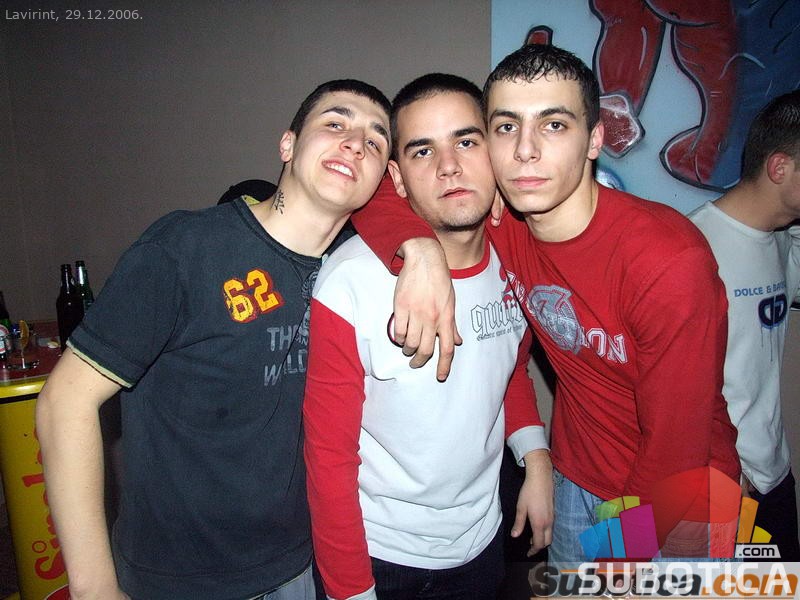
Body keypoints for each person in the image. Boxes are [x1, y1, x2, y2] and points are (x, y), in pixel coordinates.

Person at [350, 44, 741, 564]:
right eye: (506, 127)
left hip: (684, 501)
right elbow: (372, 187)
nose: (525, 151)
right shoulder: (503, 223)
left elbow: (676, 451)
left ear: (595, 138)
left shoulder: (667, 260)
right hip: (577, 475)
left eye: (554, 125)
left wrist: (618, 565)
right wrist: (418, 248)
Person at [35, 79, 391, 600]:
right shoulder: (186, 247)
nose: (355, 143)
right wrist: (94, 589)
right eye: (335, 123)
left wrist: (421, 249)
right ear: (288, 144)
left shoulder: (353, 273)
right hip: (179, 577)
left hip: (297, 564)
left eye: (375, 141)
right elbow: (64, 403)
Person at [303, 74, 552, 600]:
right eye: (422, 151)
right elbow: (328, 458)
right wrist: (351, 590)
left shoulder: (517, 256)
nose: (449, 166)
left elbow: (509, 370)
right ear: (395, 177)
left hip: (483, 541)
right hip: (382, 556)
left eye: (466, 141)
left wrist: (536, 458)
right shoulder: (350, 282)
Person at [689, 90, 800, 560]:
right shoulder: (693, 248)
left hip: (774, 472)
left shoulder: (784, 240)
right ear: (779, 168)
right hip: (721, 483)